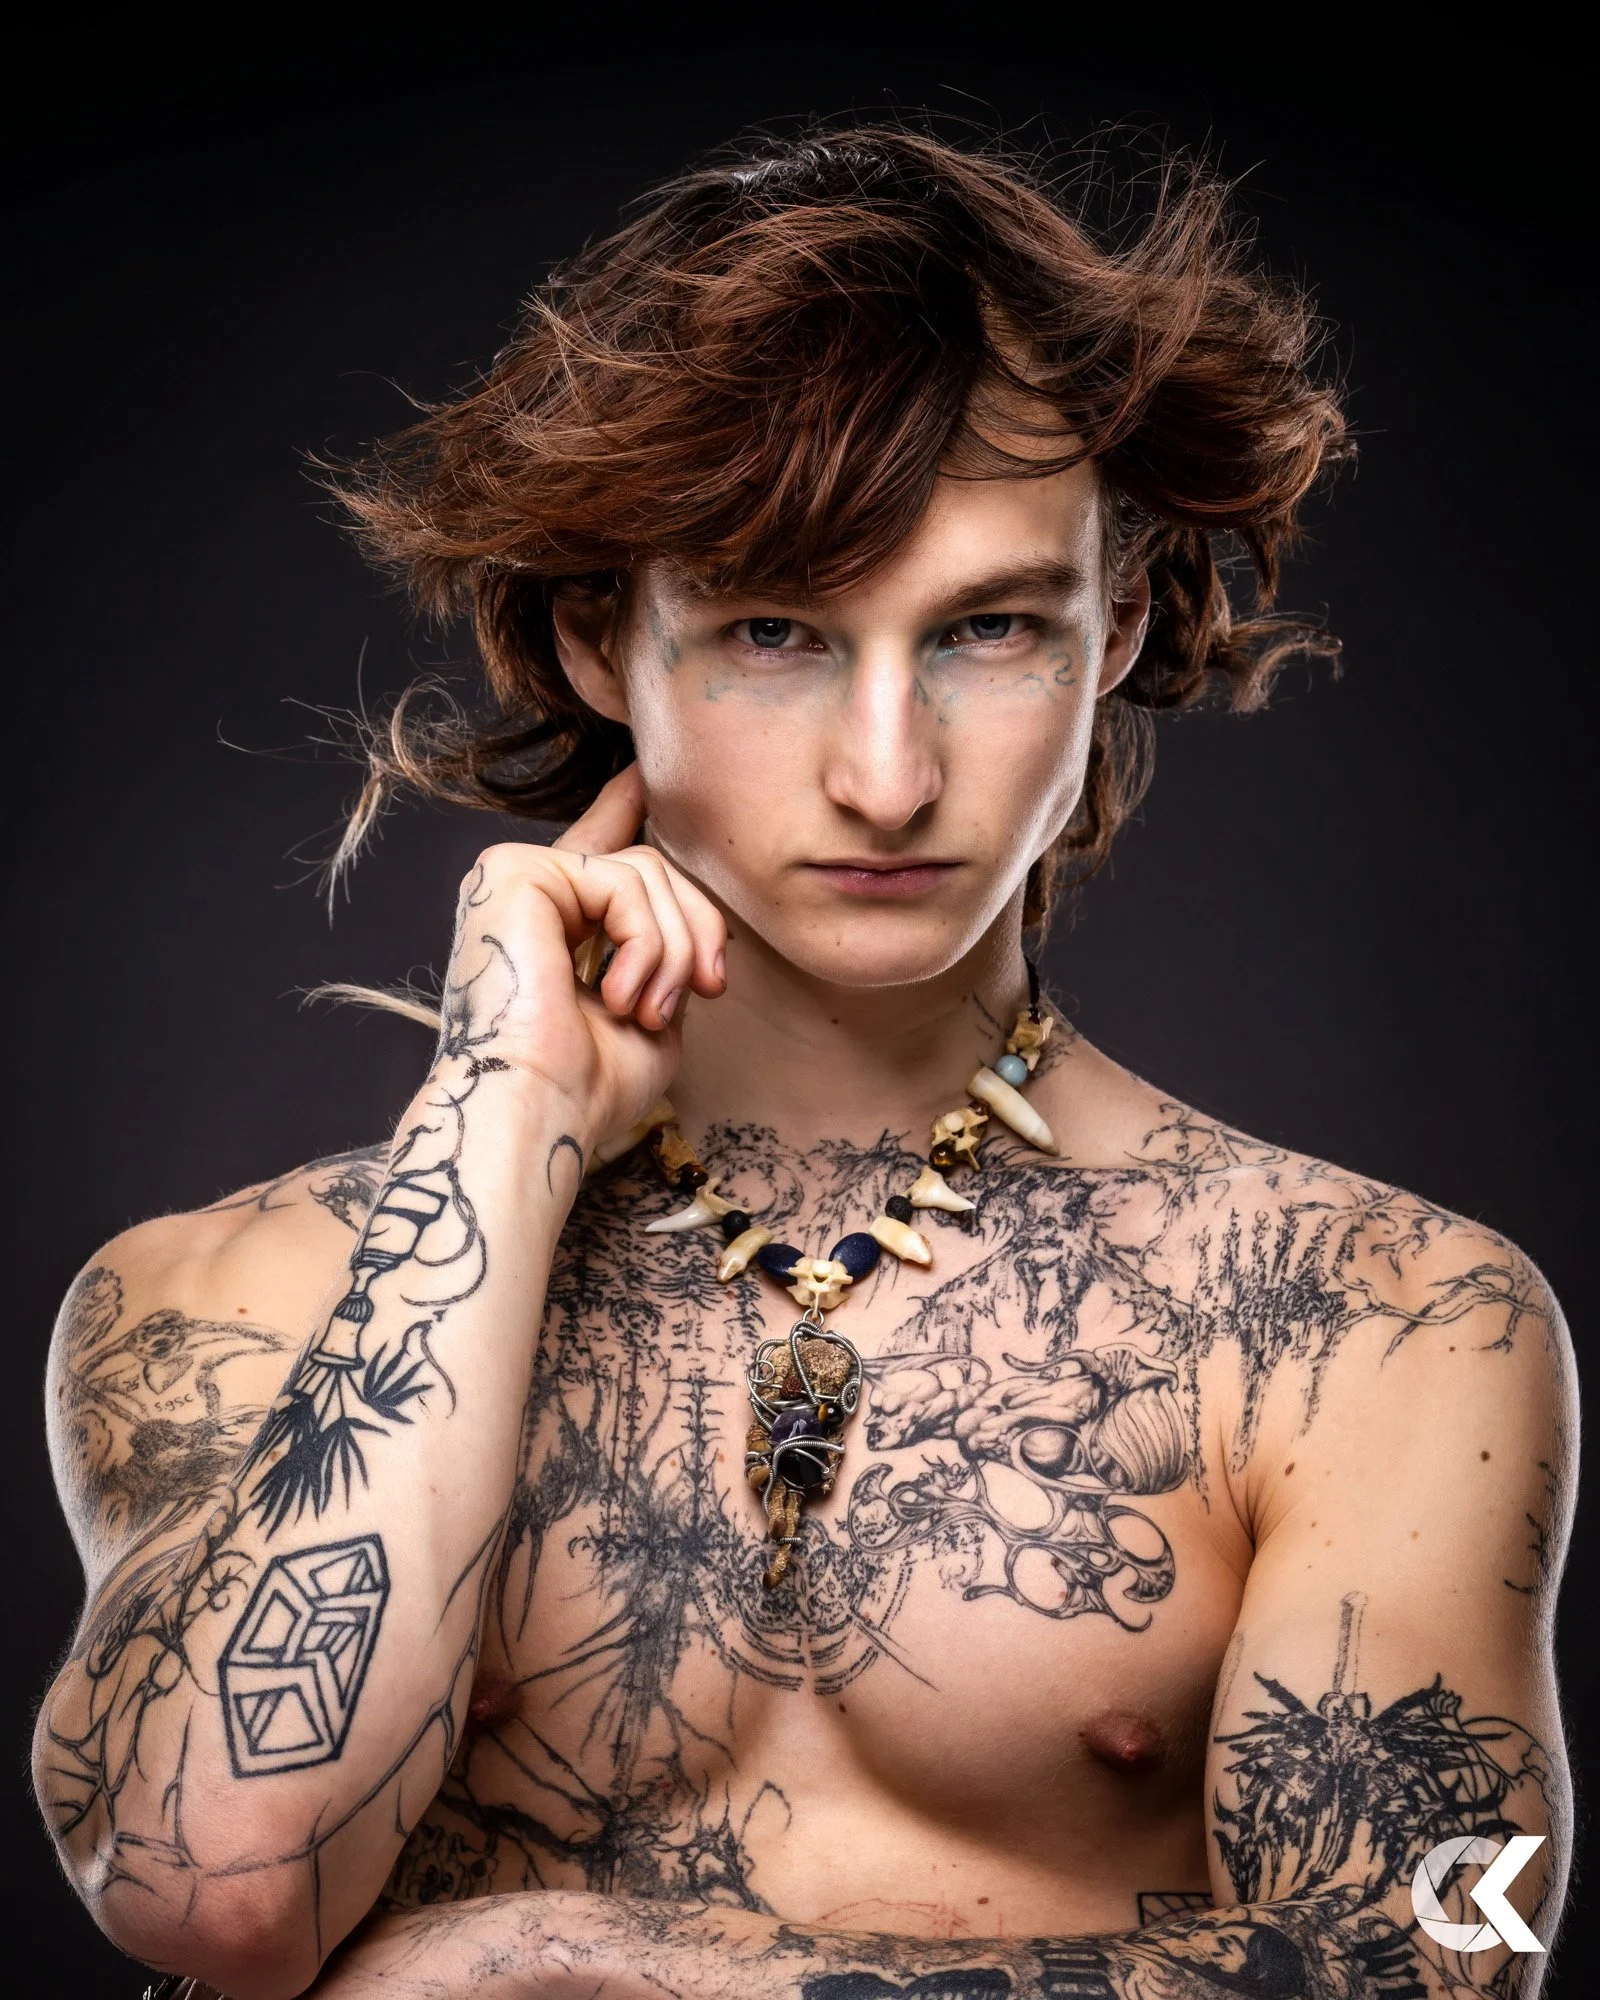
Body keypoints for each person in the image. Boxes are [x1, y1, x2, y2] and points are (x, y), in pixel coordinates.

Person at [32, 127, 1573, 2000]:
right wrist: (501, 1116)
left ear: (1128, 625)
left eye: (989, 630)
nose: (888, 773)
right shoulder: (232, 1300)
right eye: (775, 631)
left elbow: (1452, 1941)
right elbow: (204, 1883)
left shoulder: (1379, 1323)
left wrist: (605, 1965)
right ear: (604, 635)